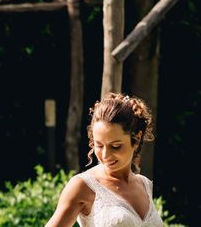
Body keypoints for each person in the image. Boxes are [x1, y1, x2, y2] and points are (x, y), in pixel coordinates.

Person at [44, 93, 164, 227]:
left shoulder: (145, 185)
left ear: (136, 138)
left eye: (115, 146)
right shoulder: (83, 186)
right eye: (99, 145)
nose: (105, 155)